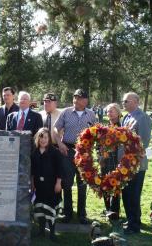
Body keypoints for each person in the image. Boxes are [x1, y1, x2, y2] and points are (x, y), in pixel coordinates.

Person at [53, 89, 96, 224]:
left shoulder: (91, 114)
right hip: (67, 150)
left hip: (84, 152)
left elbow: (96, 132)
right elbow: (55, 129)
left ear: (85, 101)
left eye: (79, 98)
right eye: (74, 98)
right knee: (66, 182)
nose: (75, 100)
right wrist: (59, 143)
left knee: (82, 183)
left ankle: (82, 214)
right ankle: (68, 213)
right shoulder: (66, 112)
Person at [121, 92, 151, 234]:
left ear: (135, 102)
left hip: (136, 164)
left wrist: (131, 159)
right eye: (123, 101)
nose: (123, 103)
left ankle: (135, 225)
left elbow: (144, 141)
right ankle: (131, 219)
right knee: (126, 193)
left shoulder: (142, 117)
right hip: (125, 163)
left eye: (126, 101)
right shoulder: (126, 117)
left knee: (133, 194)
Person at [31, 128, 62, 241]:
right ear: (37, 139)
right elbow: (33, 171)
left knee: (50, 209)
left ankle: (52, 233)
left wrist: (58, 183)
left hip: (51, 185)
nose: (43, 140)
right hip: (39, 186)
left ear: (49, 138)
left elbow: (60, 169)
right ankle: (41, 231)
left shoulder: (54, 152)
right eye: (41, 137)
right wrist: (33, 183)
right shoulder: (34, 153)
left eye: (45, 137)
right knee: (40, 208)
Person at [100, 103, 122, 219]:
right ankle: (108, 209)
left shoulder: (122, 126)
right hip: (105, 160)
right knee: (105, 184)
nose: (109, 113)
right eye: (108, 111)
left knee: (115, 186)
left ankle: (114, 212)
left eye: (111, 111)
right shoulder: (106, 126)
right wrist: (100, 156)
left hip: (115, 160)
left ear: (118, 112)